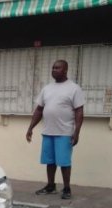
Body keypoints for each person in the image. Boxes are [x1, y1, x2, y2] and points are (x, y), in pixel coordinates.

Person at [26, 59, 84, 199]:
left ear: (65, 70)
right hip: (48, 131)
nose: (54, 70)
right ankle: (51, 186)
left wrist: (76, 132)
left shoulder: (74, 88)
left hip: (64, 132)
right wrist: (30, 127)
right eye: (53, 67)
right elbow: (39, 109)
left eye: (57, 68)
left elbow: (79, 111)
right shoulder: (47, 88)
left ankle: (66, 188)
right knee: (50, 161)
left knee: (64, 162)